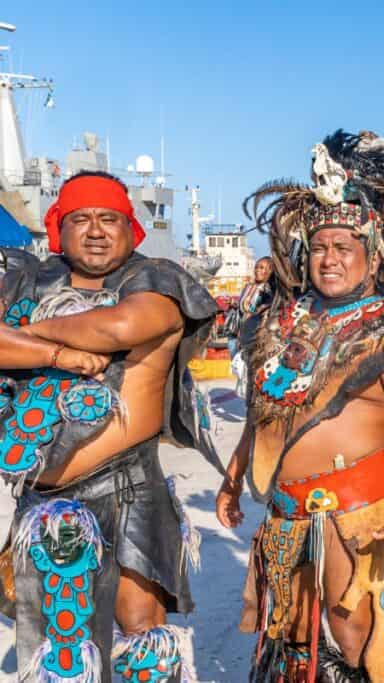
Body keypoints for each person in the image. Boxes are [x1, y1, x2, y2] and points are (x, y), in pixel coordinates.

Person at [216, 132, 384, 682]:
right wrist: (234, 480)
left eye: (343, 248)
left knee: (355, 633)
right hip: (285, 511)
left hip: (357, 512)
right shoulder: (279, 324)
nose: (329, 260)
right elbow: (264, 416)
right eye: (321, 248)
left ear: (371, 258)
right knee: (286, 630)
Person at [0, 170, 221, 681]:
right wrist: (55, 352)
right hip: (45, 503)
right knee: (62, 650)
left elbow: (119, 327)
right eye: (81, 219)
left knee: (142, 637)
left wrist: (18, 336)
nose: (96, 230)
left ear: (131, 230)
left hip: (128, 490)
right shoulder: (31, 279)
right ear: (59, 227)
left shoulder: (156, 279)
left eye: (109, 219)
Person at [229, 256, 274, 397]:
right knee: (240, 369)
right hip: (238, 334)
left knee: (255, 372)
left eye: (262, 267)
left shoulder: (269, 290)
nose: (257, 270)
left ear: (270, 270)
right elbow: (243, 309)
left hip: (256, 337)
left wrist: (261, 310)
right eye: (256, 267)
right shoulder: (248, 287)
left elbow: (269, 308)